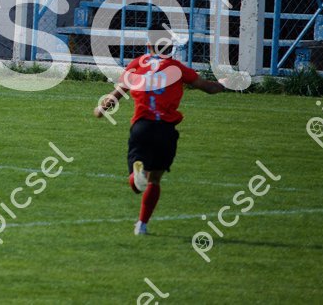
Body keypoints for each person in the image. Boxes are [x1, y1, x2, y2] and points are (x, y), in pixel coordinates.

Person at [94, 26, 226, 235]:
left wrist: (101, 109)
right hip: (166, 130)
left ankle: (137, 174)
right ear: (170, 47)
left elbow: (118, 93)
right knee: (154, 180)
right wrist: (224, 84)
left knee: (137, 183)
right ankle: (142, 225)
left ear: (149, 45)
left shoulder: (137, 64)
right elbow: (208, 88)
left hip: (142, 127)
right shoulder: (177, 68)